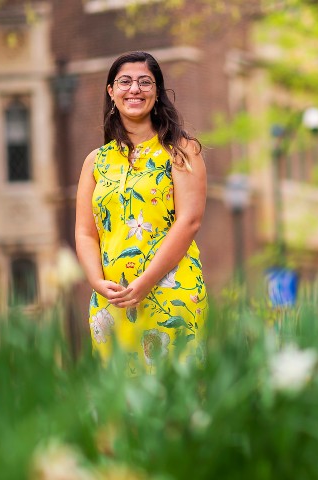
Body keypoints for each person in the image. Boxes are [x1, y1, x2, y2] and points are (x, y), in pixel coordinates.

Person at [75, 51, 207, 374]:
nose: (135, 89)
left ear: (157, 92)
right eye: (125, 81)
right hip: (112, 302)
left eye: (145, 82)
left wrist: (146, 282)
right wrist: (96, 281)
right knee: (118, 407)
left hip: (172, 292)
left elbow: (189, 221)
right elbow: (84, 232)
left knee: (173, 398)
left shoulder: (180, 150)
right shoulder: (96, 162)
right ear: (111, 91)